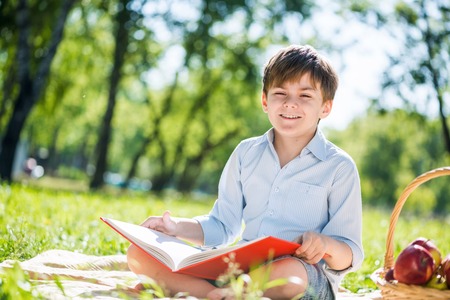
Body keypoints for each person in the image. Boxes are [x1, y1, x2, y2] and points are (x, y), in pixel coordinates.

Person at [127, 44, 364, 299]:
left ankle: (202, 291)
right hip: (239, 269)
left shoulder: (339, 167)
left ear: (325, 108)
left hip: (303, 275)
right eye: (280, 93)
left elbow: (350, 253)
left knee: (290, 271)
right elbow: (222, 225)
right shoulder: (246, 153)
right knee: (139, 253)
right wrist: (175, 228)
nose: (290, 104)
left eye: (305, 96)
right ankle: (218, 295)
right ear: (265, 100)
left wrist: (325, 245)